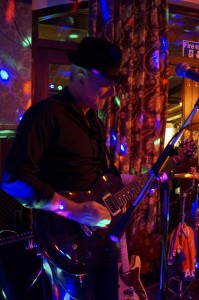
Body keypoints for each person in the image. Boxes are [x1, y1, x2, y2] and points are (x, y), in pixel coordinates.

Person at [1, 36, 133, 300]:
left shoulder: (94, 122)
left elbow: (99, 177)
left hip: (99, 242)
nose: (111, 93)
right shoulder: (45, 114)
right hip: (64, 242)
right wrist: (75, 211)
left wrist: (133, 183)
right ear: (82, 76)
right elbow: (13, 180)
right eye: (106, 84)